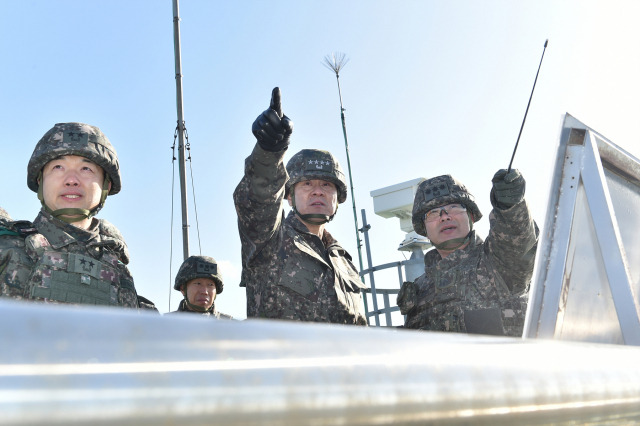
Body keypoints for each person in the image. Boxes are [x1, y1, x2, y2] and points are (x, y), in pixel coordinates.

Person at [233, 87, 367, 325]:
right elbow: (258, 200)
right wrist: (269, 153)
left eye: (327, 184)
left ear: (338, 197)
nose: (318, 190)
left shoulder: (343, 261)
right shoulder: (270, 240)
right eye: (306, 184)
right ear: (289, 196)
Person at [0, 122, 139, 307]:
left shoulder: (119, 270)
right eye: (58, 167)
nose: (72, 180)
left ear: (106, 186)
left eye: (86, 169)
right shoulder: (7, 249)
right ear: (41, 180)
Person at [397, 170, 539, 336]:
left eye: (454, 207)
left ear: (471, 216)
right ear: (424, 230)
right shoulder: (418, 288)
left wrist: (510, 206)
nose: (444, 217)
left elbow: (516, 238)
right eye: (433, 213)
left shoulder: (496, 261)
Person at [167, 255, 232, 319]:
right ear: (183, 289)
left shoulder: (231, 325)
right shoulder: (165, 323)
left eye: (210, 285)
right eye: (198, 284)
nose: (204, 292)